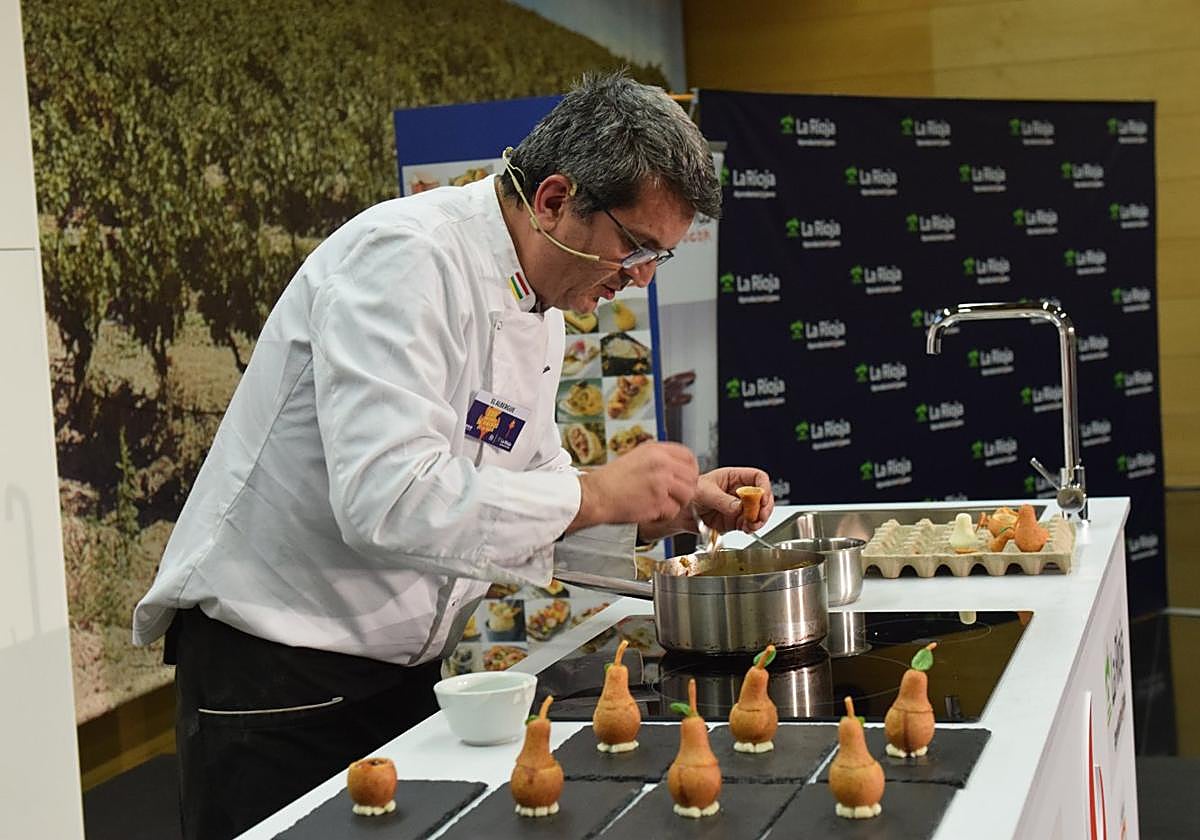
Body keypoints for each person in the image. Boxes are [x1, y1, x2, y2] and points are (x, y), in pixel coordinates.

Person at [133, 71, 775, 839]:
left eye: (658, 260)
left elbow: (512, 492)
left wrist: (648, 512)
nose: (636, 279)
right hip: (282, 675)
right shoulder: (404, 258)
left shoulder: (541, 309)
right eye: (636, 248)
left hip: (399, 674)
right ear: (554, 200)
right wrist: (598, 494)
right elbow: (389, 500)